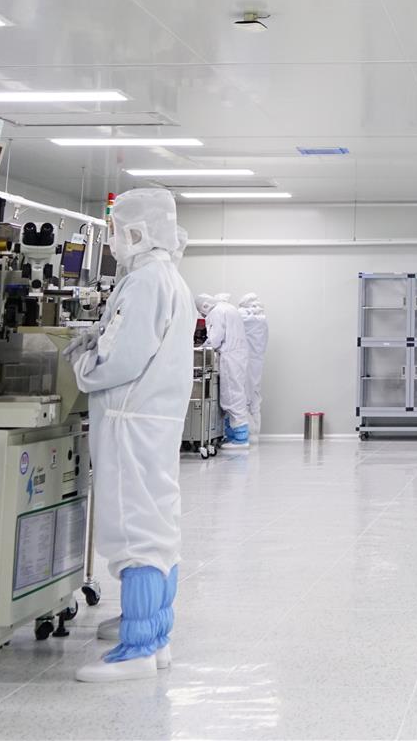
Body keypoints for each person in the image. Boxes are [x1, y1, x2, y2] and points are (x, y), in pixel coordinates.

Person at [67, 188, 195, 680]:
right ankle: (154, 633)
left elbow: (121, 359)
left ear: (137, 232)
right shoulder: (169, 279)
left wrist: (84, 363)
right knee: (157, 524)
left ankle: (138, 651)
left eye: (116, 231)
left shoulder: (144, 282)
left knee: (134, 529)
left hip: (130, 424)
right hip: (152, 423)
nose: (114, 242)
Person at [195, 293, 253, 446]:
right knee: (236, 392)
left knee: (231, 396)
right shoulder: (228, 308)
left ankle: (240, 438)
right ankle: (234, 434)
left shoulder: (216, 312)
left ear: (204, 306)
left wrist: (201, 347)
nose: (203, 315)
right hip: (238, 356)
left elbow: (214, 339)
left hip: (230, 357)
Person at [238, 293, 269, 440]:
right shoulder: (262, 319)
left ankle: (248, 433)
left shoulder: (241, 316)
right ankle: (254, 432)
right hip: (257, 358)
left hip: (244, 359)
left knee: (244, 392)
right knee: (255, 391)